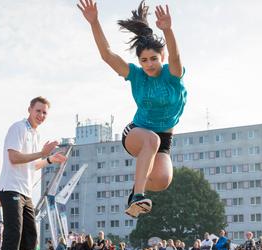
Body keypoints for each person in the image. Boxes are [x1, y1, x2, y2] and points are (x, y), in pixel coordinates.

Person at [78, 0, 187, 218]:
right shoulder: (136, 75)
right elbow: (108, 55)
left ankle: (137, 188)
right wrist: (94, 22)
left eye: (154, 59)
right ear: (139, 61)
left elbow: (175, 57)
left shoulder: (172, 75)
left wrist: (168, 30)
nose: (149, 64)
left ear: (161, 57)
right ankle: (138, 196)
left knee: (163, 180)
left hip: (164, 138)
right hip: (137, 132)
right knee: (151, 141)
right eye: (144, 60)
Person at [0, 96, 67, 250]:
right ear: (29, 109)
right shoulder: (18, 128)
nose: (41, 115)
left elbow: (32, 165)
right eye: (38, 111)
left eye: (45, 112)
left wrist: (50, 159)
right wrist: (41, 153)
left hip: (25, 191)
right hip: (10, 188)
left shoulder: (36, 134)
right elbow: (14, 158)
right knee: (14, 235)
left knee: (30, 237)